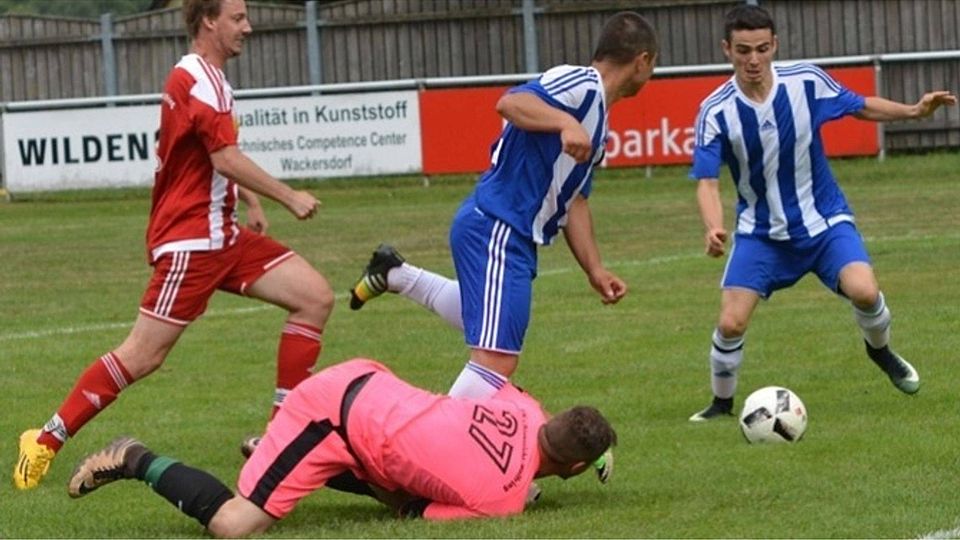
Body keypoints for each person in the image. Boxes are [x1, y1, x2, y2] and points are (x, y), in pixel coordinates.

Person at [14, 0, 335, 489]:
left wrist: (249, 201)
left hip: (221, 234)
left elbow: (211, 157)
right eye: (237, 18)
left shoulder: (209, 77)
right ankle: (45, 440)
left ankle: (277, 437)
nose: (247, 27)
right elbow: (224, 158)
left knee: (314, 297)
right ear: (208, 21)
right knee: (142, 355)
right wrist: (289, 196)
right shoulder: (198, 80)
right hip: (192, 242)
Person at [348, 11, 657, 403]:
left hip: (510, 234)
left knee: (492, 322)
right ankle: (430, 444)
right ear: (642, 61)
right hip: (496, 226)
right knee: (496, 358)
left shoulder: (600, 123)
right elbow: (511, 102)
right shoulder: (581, 82)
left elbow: (575, 200)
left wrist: (594, 269)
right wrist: (565, 122)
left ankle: (395, 274)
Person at [687, 4, 957, 421]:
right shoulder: (715, 111)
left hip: (824, 221)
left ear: (774, 45)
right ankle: (721, 406)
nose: (753, 60)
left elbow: (859, 105)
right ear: (727, 49)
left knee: (865, 290)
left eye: (761, 48)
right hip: (761, 234)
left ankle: (882, 353)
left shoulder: (805, 82)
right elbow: (705, 180)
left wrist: (913, 112)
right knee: (731, 324)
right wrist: (714, 227)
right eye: (743, 50)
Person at [67, 358, 617, 537]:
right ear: (572, 468)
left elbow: (538, 412)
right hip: (332, 416)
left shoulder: (524, 409)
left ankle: (277, 452)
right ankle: (133, 455)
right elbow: (408, 511)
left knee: (399, 466)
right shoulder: (504, 503)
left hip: (368, 379)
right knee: (236, 524)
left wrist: (589, 443)